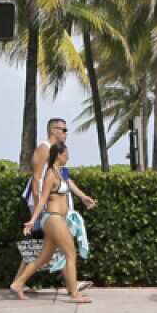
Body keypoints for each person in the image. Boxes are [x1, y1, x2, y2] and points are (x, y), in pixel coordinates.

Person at [16, 119, 96, 291]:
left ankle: (19, 282)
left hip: (54, 207)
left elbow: (67, 178)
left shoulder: (59, 155)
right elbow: (36, 179)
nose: (66, 133)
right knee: (62, 248)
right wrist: (39, 210)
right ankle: (71, 286)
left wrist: (83, 197)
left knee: (48, 251)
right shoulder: (43, 149)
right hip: (47, 207)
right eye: (64, 130)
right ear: (53, 130)